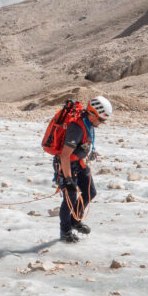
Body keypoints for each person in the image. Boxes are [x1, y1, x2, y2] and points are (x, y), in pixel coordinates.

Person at [54, 96, 112, 243]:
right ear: (92, 114)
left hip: (79, 163)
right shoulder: (76, 128)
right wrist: (67, 179)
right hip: (68, 165)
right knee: (70, 198)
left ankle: (75, 220)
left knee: (90, 192)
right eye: (101, 119)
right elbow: (64, 155)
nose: (102, 123)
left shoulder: (88, 123)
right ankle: (65, 231)